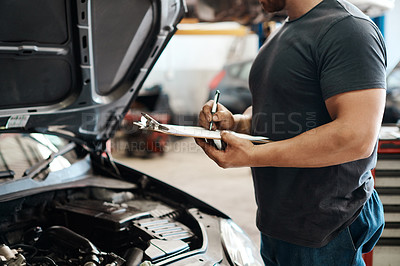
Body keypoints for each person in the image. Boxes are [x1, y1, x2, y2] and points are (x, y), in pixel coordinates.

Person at [195, 0, 386, 265]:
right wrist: (236, 123)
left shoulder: (347, 29)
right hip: (280, 224)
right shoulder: (284, 31)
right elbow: (281, 111)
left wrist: (253, 155)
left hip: (326, 228)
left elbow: (355, 136)